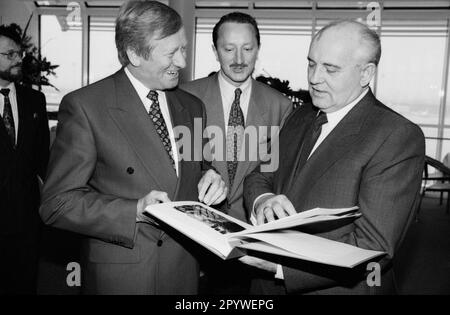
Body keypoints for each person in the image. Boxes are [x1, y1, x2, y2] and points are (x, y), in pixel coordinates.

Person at [40, 0, 226, 295]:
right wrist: (134, 210)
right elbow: (57, 204)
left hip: (182, 273)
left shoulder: (192, 107)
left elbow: (199, 166)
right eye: (171, 53)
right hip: (122, 276)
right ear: (134, 54)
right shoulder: (86, 107)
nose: (181, 62)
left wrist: (213, 177)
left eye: (184, 48)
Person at [242, 20, 425, 295]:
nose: (314, 77)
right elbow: (260, 174)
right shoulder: (300, 115)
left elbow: (371, 246)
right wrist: (263, 200)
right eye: (311, 63)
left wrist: (280, 267)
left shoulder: (397, 136)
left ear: (366, 74)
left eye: (330, 69)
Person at [181, 12, 292, 294]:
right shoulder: (184, 98)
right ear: (215, 51)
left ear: (258, 49)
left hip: (251, 239)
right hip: (194, 234)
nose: (239, 59)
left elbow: (276, 174)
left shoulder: (280, 106)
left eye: (248, 48)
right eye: (229, 49)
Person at [0, 24, 50, 294]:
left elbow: (44, 159)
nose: (18, 60)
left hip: (27, 222)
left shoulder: (35, 101)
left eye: (19, 54)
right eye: (10, 54)